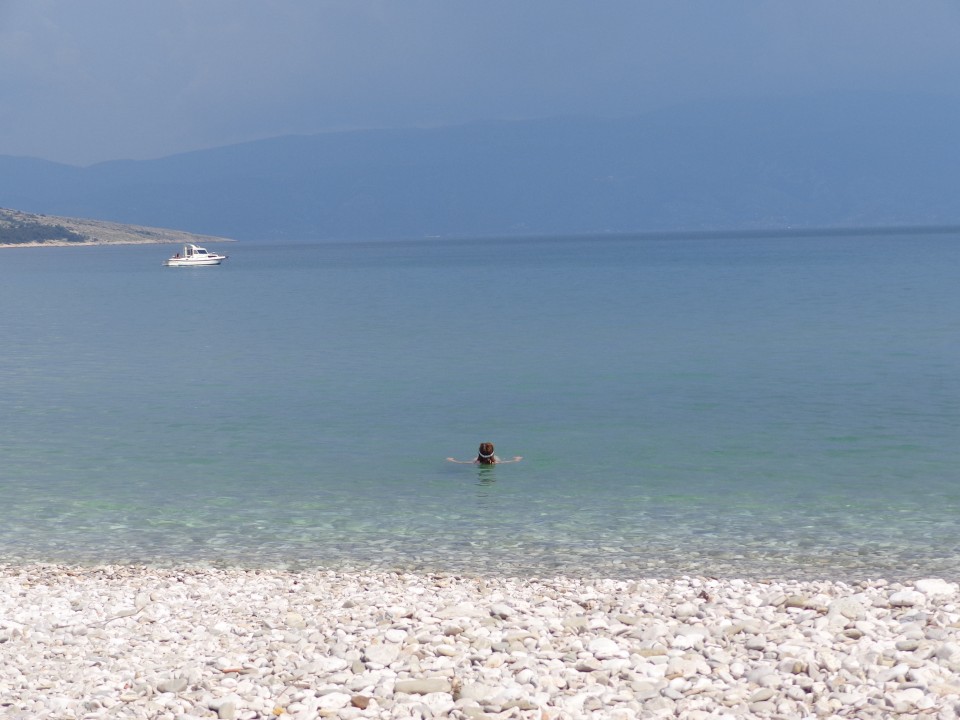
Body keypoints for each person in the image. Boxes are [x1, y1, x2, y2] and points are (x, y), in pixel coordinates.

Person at [447, 442, 522, 465]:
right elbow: (507, 462)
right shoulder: (495, 462)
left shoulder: (476, 462)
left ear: (479, 453)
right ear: (492, 453)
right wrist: (517, 459)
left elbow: (462, 462)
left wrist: (452, 460)